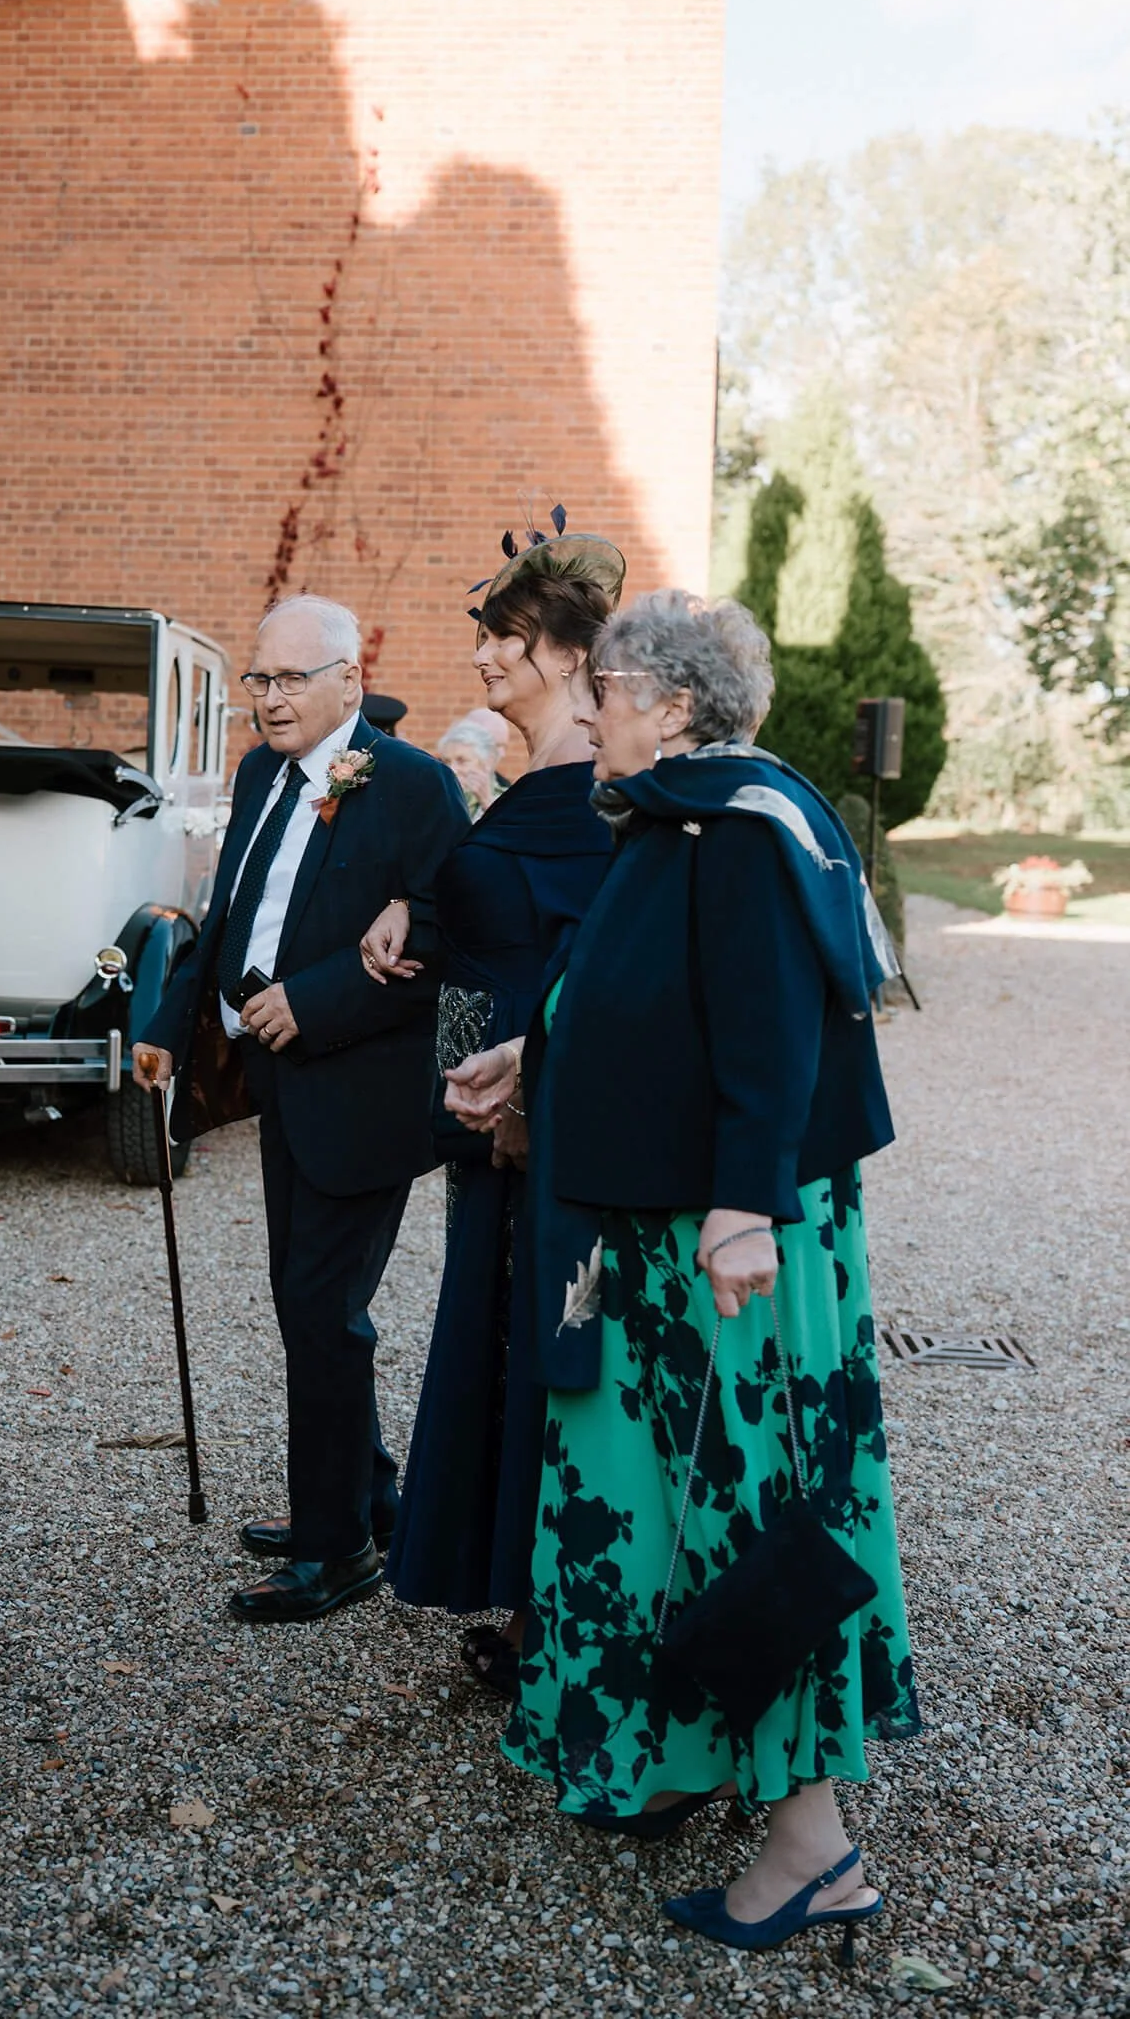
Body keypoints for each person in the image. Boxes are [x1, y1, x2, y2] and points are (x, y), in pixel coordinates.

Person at [446, 590, 918, 1960]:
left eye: (607, 689)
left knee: (751, 1514)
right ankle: (689, 1754)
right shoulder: (680, 818)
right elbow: (649, 992)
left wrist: (740, 1212)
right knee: (664, 1504)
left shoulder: (740, 823)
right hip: (657, 1234)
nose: (586, 710)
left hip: (724, 1241)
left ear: (674, 704)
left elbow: (769, 1029)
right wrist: (536, 1056)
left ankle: (813, 1847)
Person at [132, 595, 469, 1625]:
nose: (268, 701)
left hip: (367, 1095)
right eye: (259, 682)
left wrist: (313, 1000)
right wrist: (172, 1021)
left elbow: (451, 942)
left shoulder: (415, 787)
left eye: (289, 680)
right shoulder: (258, 775)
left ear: (349, 683)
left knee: (322, 1317)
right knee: (305, 1306)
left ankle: (336, 1552)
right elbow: (233, 910)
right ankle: (362, 1497)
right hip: (282, 1089)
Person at [360, 532, 621, 1696]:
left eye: (498, 640)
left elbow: (586, 960)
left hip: (542, 1119)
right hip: (486, 1109)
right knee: (497, 1341)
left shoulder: (596, 796)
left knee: (546, 1349)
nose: (477, 659)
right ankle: (523, 1592)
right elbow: (479, 911)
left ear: (564, 654)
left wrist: (530, 1084)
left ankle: (558, 1610)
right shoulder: (523, 783)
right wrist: (410, 909)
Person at [434, 709, 511, 819]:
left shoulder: (509, 799)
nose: (452, 769)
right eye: (446, 761)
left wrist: (487, 803)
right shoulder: (436, 795)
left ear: (487, 762)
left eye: (462, 761)